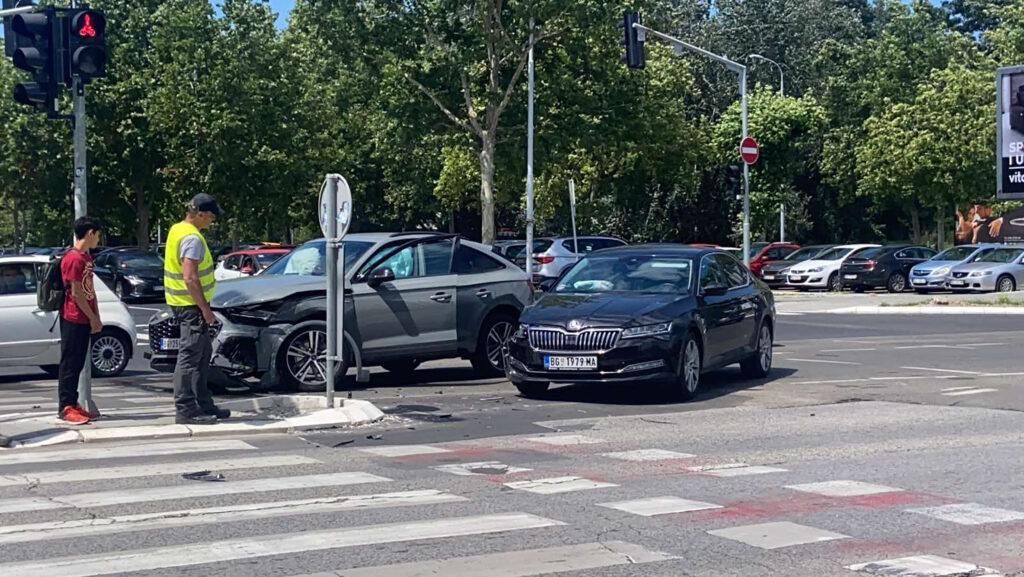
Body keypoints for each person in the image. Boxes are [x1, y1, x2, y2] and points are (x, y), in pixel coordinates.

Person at [164, 194, 230, 425]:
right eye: (211, 216)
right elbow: (190, 278)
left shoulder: (176, 229)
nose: (212, 221)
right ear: (200, 214)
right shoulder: (192, 238)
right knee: (190, 357)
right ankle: (185, 408)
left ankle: (203, 402)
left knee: (202, 355)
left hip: (181, 303)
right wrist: (205, 310)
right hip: (190, 306)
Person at [58, 217, 103, 425]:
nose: (99, 239)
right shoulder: (73, 258)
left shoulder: (86, 258)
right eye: (98, 234)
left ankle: (73, 402)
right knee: (70, 363)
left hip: (84, 317)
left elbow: (89, 289)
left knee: (77, 363)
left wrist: (97, 316)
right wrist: (91, 316)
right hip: (73, 316)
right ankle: (65, 406)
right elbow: (76, 293)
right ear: (90, 233)